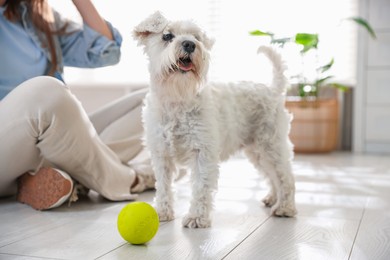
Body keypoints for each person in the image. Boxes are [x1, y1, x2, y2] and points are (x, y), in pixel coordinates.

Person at [0, 0, 155, 210]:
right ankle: (133, 178)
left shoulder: (35, 16)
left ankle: (59, 178)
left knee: (156, 100)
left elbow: (105, 51)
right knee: (47, 92)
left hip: (46, 146)